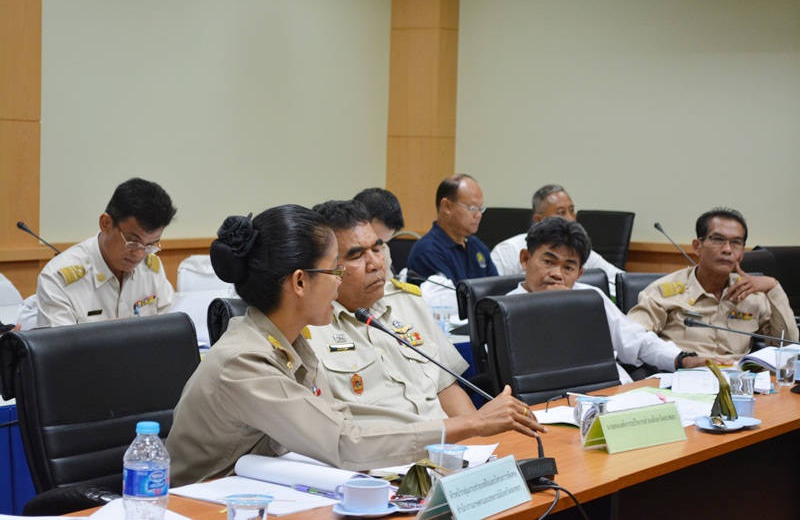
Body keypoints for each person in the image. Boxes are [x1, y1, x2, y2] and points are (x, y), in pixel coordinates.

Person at [167, 205, 544, 487]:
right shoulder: (244, 360)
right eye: (334, 269)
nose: (339, 281)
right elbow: (346, 442)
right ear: (299, 282)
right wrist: (472, 423)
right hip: (199, 506)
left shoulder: (291, 342)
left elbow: (340, 425)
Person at [308, 200, 475, 423]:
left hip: (447, 440)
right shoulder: (310, 327)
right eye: (357, 256)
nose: (376, 263)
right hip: (385, 443)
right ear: (327, 266)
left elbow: (446, 388)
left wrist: (479, 434)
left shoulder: (408, 302)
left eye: (377, 249)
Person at [508, 218, 724, 381]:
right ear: (525, 259)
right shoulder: (506, 311)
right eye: (548, 262)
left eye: (568, 268)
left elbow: (637, 342)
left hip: (612, 392)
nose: (557, 274)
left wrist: (683, 358)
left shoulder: (590, 298)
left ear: (579, 273)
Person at [628, 207, 798, 360]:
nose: (727, 249)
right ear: (697, 247)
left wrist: (774, 288)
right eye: (718, 239)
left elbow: (787, 347)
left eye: (736, 243)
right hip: (681, 376)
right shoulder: (662, 291)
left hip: (739, 379)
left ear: (742, 253)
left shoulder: (752, 296)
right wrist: (681, 360)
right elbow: (633, 340)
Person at [36, 178, 176, 327]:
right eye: (133, 242)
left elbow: (170, 327)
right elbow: (60, 342)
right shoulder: (57, 279)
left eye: (150, 245)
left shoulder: (151, 269)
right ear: (106, 224)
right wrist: (105, 334)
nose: (140, 254)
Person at [491, 184, 623, 296]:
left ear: (579, 273)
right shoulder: (507, 250)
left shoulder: (576, 252)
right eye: (561, 212)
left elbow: (620, 280)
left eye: (572, 210)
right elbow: (491, 291)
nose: (570, 218)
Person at [407, 174, 498, 284]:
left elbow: (497, 288)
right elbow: (447, 294)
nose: (478, 215)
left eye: (480, 208)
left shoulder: (477, 246)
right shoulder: (428, 251)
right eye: (472, 208)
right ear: (447, 206)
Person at [353, 187, 405, 276]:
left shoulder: (383, 249)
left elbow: (387, 283)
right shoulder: (334, 251)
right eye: (373, 245)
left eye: (382, 243)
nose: (378, 249)